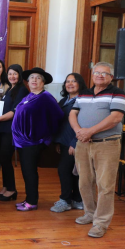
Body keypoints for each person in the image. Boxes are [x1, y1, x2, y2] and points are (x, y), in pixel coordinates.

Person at [69, 62, 125, 238]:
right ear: (92, 75)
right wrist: (79, 132)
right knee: (84, 181)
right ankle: (89, 213)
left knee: (105, 185)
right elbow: (73, 113)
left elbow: (115, 118)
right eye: (97, 72)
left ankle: (101, 223)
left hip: (107, 144)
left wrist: (89, 131)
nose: (100, 75)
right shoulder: (84, 93)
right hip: (83, 144)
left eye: (105, 73)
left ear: (111, 77)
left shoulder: (118, 93)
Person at [12, 67, 63, 211]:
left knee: (30, 171)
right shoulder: (28, 96)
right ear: (28, 81)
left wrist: (45, 136)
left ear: (43, 82)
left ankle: (32, 201)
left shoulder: (45, 97)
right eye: (32, 78)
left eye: (38, 78)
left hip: (33, 142)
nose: (34, 80)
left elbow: (58, 116)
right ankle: (29, 198)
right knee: (26, 171)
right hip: (23, 142)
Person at [0, 64, 29, 199]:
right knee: (2, 159)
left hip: (10, 129)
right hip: (2, 129)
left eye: (15, 74)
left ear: (20, 75)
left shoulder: (22, 90)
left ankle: (11, 190)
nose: (12, 76)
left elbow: (14, 111)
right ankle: (5, 186)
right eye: (10, 74)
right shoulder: (11, 89)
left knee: (6, 158)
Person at [51, 73, 87, 213]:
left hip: (76, 141)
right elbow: (61, 124)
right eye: (67, 81)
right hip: (64, 141)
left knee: (65, 170)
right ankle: (76, 200)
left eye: (74, 81)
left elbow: (84, 123)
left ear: (80, 84)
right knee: (72, 171)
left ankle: (65, 200)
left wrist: (74, 142)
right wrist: (58, 142)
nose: (70, 84)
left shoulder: (83, 101)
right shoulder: (63, 101)